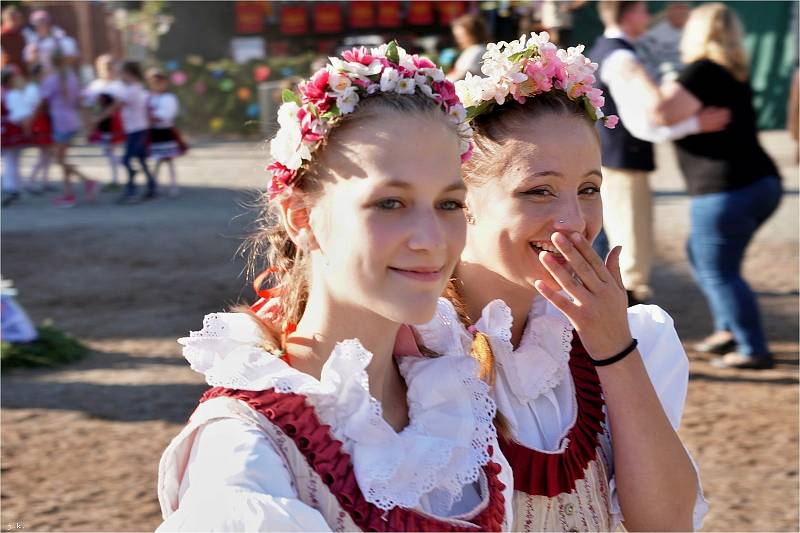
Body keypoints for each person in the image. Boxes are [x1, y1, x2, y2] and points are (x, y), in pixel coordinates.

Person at [156, 43, 513, 531]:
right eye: (390, 203)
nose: (432, 241)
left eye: (449, 204)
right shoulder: (245, 456)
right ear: (301, 217)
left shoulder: (453, 388)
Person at [422, 32, 708, 531]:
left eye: (589, 188)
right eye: (539, 191)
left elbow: (665, 524)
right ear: (460, 198)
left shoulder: (635, 339)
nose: (573, 221)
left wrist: (614, 348)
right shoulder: (408, 345)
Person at [653, 3, 783, 370]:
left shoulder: (702, 71)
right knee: (705, 257)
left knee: (718, 270)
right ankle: (728, 330)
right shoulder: (729, 70)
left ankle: (752, 347)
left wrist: (665, 88)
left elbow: (662, 113)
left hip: (726, 188)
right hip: (758, 183)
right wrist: (694, 118)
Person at [589, 0, 731, 305]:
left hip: (612, 158)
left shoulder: (604, 50)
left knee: (617, 236)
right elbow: (646, 122)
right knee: (631, 246)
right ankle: (628, 316)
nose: (648, 16)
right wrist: (694, 123)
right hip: (623, 162)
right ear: (629, 15)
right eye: (642, 10)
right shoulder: (622, 57)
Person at [40, 49, 97, 208]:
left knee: (59, 159)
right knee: (62, 159)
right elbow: (80, 102)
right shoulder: (71, 78)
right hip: (71, 121)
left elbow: (42, 101)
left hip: (60, 123)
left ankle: (86, 181)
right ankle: (68, 194)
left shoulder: (51, 80)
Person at [111, 61, 156, 203]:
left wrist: (98, 118)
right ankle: (151, 186)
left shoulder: (133, 90)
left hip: (137, 130)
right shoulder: (132, 88)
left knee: (127, 160)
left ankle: (132, 191)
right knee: (141, 159)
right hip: (134, 129)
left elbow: (117, 106)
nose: (120, 75)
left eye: (122, 72)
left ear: (129, 73)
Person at [83, 54, 125, 191]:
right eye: (105, 66)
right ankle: (116, 176)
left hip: (114, 122)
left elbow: (118, 105)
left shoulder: (118, 85)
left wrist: (100, 116)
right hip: (102, 123)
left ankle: (116, 178)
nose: (108, 69)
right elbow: (87, 102)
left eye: (110, 66)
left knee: (114, 149)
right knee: (107, 150)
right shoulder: (95, 85)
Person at [146, 67, 186, 198]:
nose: (156, 85)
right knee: (157, 160)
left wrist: (155, 117)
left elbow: (168, 113)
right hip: (155, 132)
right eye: (153, 82)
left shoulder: (169, 97)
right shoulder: (149, 97)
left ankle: (173, 185)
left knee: (168, 159)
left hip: (165, 131)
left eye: (158, 82)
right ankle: (154, 185)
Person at [1, 65, 33, 206]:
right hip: (12, 128)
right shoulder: (13, 95)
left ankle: (11, 186)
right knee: (13, 159)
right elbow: (22, 114)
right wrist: (27, 129)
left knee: (9, 159)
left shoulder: (4, 94)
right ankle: (12, 187)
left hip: (4, 128)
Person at [24, 63, 54, 194]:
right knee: (44, 153)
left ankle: (45, 181)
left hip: (45, 121)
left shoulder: (41, 86)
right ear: (37, 74)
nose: (45, 75)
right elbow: (34, 107)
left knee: (48, 153)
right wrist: (30, 124)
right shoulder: (32, 88)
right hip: (39, 122)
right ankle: (30, 180)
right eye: (42, 73)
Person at [446, 13, 489, 81]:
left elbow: (462, 74)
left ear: (474, 34)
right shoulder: (476, 49)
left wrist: (441, 82)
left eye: (462, 36)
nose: (459, 40)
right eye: (457, 37)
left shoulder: (476, 50)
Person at [1, 6, 28, 76]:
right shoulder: (2, 36)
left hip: (22, 72)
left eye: (18, 18)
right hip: (6, 74)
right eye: (14, 19)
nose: (18, 21)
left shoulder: (22, 34)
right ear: (6, 20)